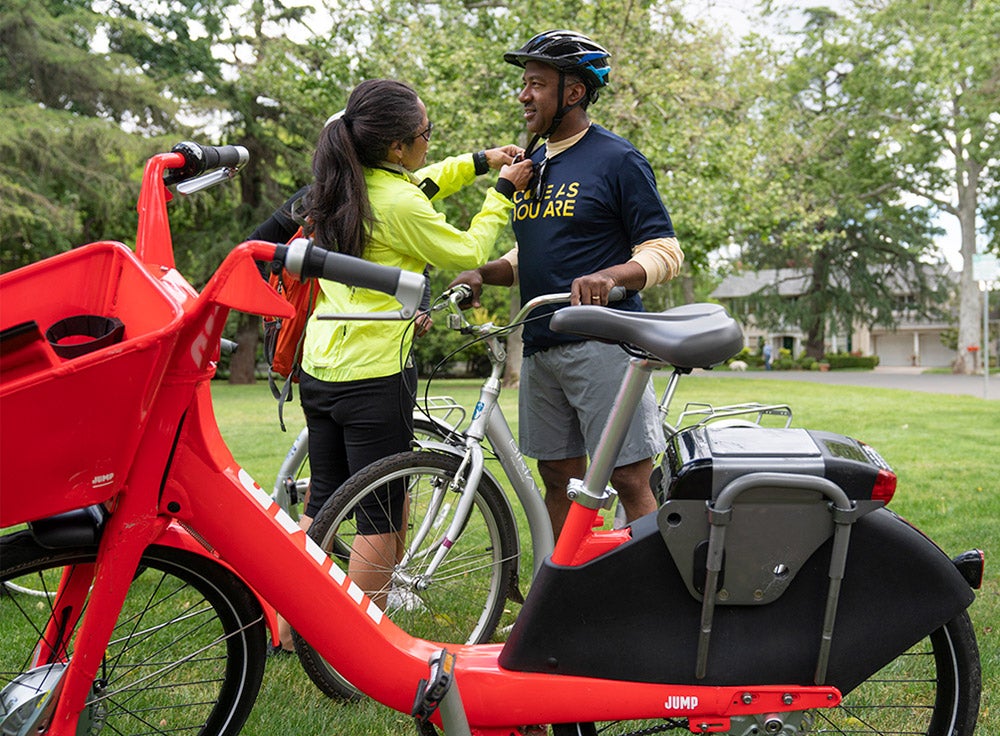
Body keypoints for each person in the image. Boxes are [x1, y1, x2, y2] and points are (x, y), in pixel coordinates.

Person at [264, 79, 533, 651]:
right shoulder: (397, 201)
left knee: (325, 502)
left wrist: (480, 162)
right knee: (379, 517)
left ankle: (290, 631)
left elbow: (424, 184)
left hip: (321, 365)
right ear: (395, 148)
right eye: (425, 136)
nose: (429, 145)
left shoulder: (340, 186)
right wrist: (501, 193)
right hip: (375, 372)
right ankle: (352, 647)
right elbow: (465, 252)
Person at [450, 31, 684, 536]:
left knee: (627, 478)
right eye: (524, 84)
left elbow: (665, 251)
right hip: (540, 345)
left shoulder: (618, 160)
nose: (523, 95)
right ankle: (568, 597)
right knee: (558, 477)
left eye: (536, 84)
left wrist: (610, 275)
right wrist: (484, 272)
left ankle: (647, 602)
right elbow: (531, 249)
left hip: (605, 343)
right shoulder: (534, 164)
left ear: (573, 93)